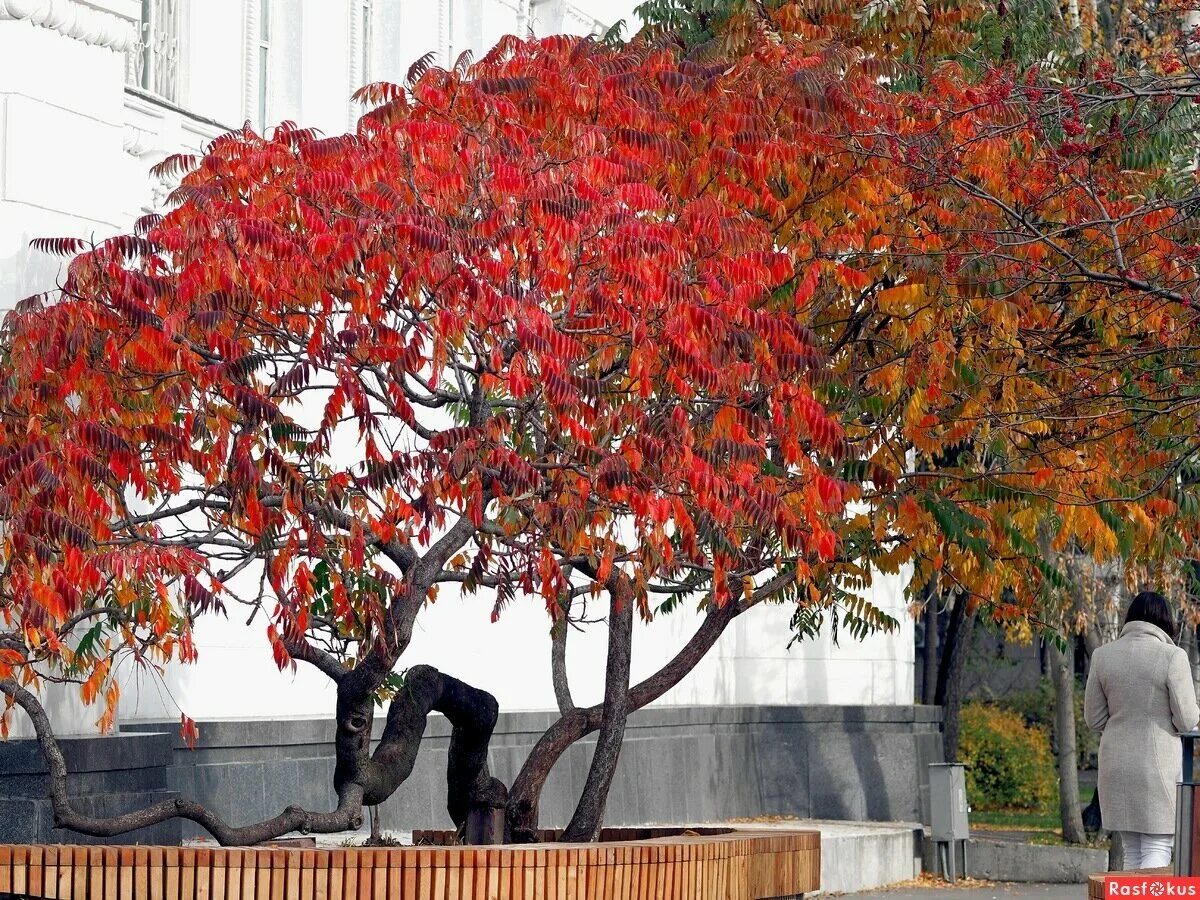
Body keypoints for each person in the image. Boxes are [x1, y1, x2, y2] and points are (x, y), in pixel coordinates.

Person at [1085, 591, 1200, 870]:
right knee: (1158, 846)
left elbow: (1094, 718)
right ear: (1166, 622)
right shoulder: (1173, 656)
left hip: (1115, 766)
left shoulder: (1103, 656)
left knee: (1132, 850)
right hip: (1157, 766)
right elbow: (1187, 720)